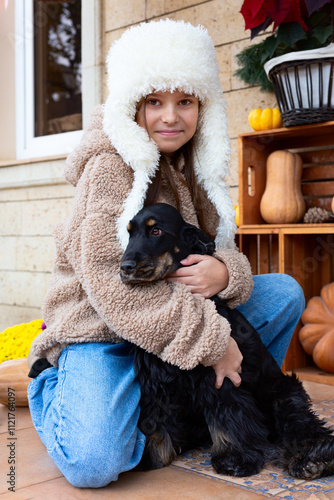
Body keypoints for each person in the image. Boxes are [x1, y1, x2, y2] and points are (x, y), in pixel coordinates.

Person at [27, 19, 305, 488]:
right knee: (95, 463)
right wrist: (215, 345)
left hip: (176, 317)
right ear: (132, 105)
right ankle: (53, 384)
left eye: (185, 101)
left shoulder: (196, 166)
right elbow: (110, 283)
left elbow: (224, 250)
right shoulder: (109, 168)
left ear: (202, 107)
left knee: (284, 292)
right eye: (154, 101)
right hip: (105, 330)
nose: (170, 117)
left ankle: (225, 403)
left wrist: (223, 272)